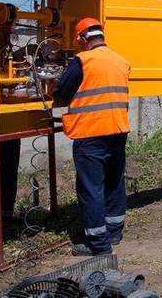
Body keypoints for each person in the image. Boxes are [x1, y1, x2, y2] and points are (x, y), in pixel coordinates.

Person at [52, 17, 131, 256]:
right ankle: (114, 231)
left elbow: (61, 94)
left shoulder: (83, 61)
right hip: (117, 130)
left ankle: (99, 245)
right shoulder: (121, 60)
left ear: (82, 39)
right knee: (114, 181)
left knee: (91, 188)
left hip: (91, 133)